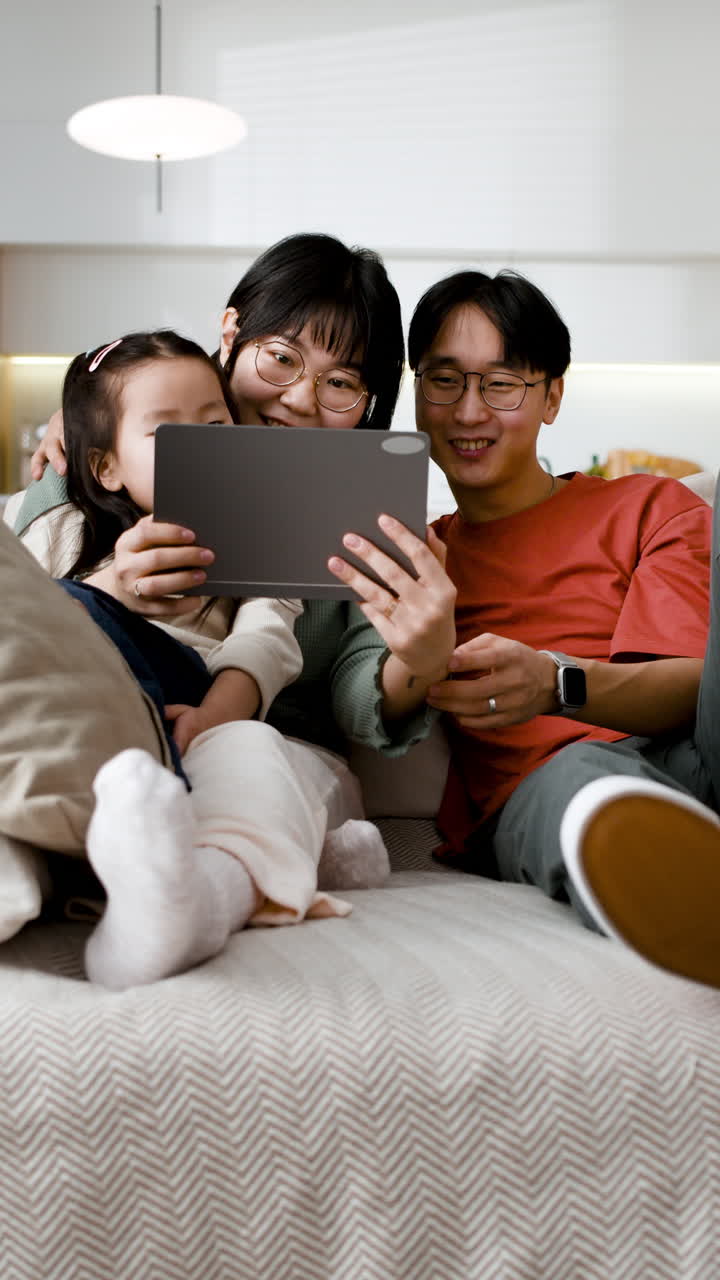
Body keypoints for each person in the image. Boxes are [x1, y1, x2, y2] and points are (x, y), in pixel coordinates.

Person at [8, 233, 457, 986]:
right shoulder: (94, 463)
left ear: (370, 402)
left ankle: (196, 898)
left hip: (259, 745)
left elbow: (355, 697)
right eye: (282, 357)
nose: (300, 399)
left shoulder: (354, 521)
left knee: (249, 753)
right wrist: (88, 439)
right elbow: (31, 617)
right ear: (232, 333)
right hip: (106, 716)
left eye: (342, 383)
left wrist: (423, 649)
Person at [328, 267, 720, 990]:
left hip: (692, 756)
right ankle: (674, 888)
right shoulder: (413, 559)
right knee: (583, 784)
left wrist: (555, 684)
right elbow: (368, 696)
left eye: (501, 384)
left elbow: (695, 692)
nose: (469, 411)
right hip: (545, 792)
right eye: (444, 381)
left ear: (552, 397)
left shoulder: (648, 507)